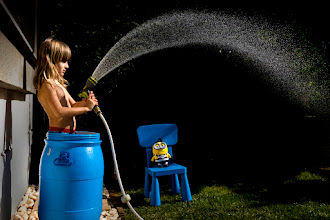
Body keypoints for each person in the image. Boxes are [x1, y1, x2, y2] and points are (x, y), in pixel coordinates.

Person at [33, 38, 98, 133]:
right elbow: (59, 112)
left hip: (66, 135)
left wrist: (86, 102)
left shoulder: (57, 84)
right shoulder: (47, 85)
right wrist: (86, 108)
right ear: (50, 60)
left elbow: (73, 105)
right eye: (63, 61)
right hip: (59, 136)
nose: (67, 66)